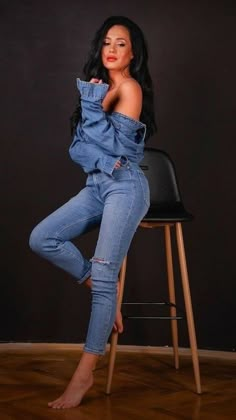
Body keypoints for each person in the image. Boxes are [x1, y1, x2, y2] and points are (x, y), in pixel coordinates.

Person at [29, 15, 157, 409]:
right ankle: (100, 285)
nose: (112, 49)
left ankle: (83, 376)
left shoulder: (130, 89)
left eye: (121, 43)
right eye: (107, 42)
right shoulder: (98, 90)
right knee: (42, 238)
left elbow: (113, 151)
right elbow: (78, 150)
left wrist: (90, 107)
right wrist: (91, 116)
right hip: (99, 185)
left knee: (105, 275)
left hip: (127, 187)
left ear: (133, 53)